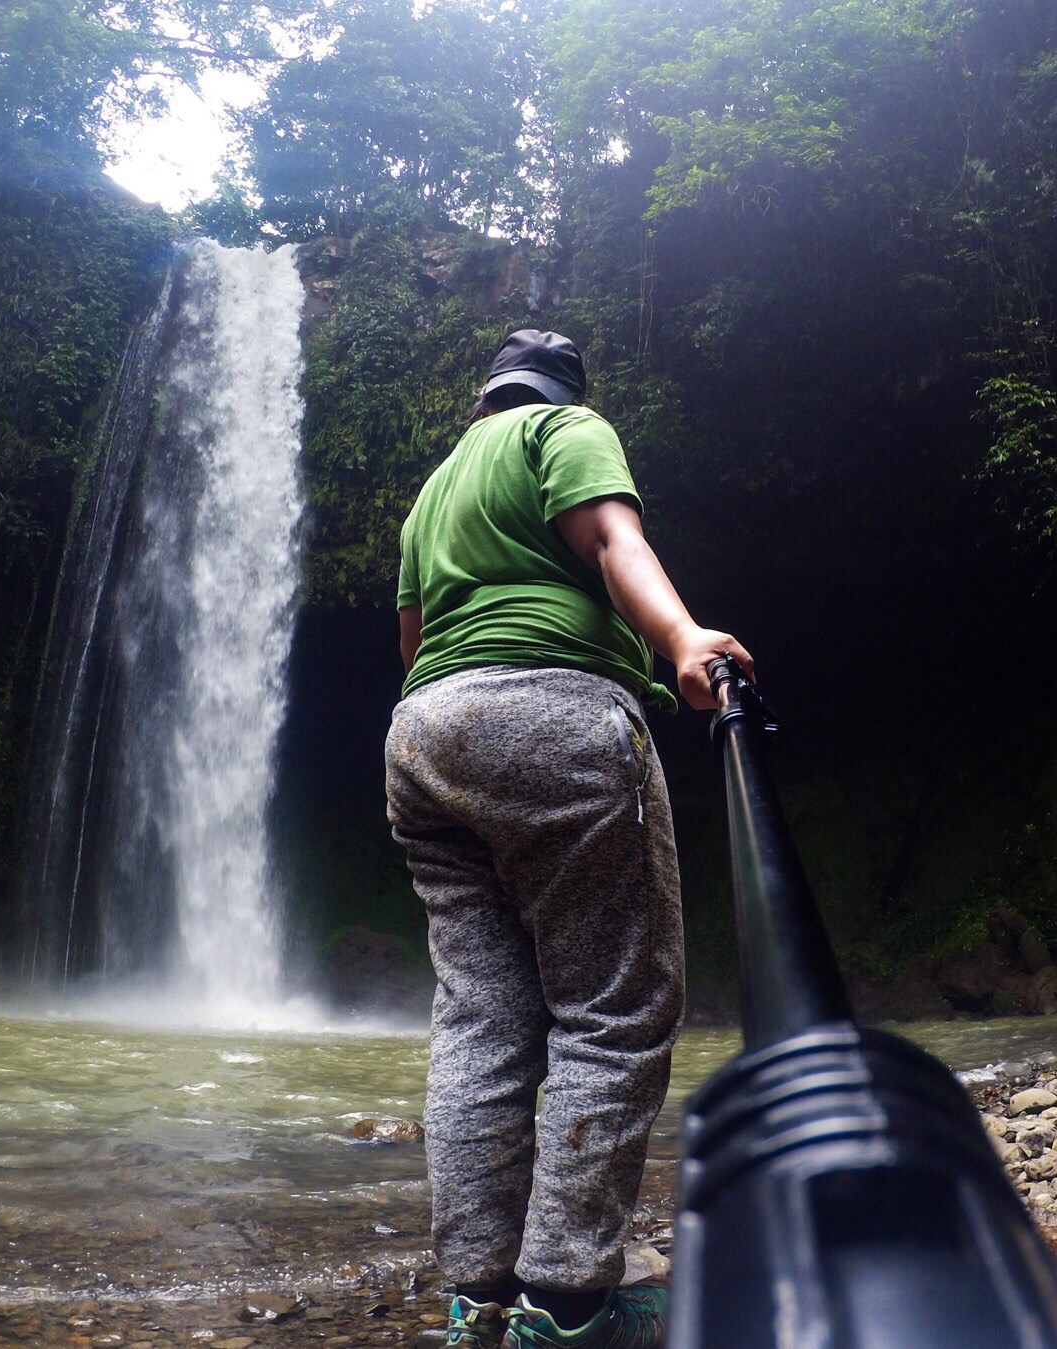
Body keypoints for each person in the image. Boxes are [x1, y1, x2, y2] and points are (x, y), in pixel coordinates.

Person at [384, 329, 752, 1349]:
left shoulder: (430, 494)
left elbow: (414, 646)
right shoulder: (566, 428)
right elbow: (607, 539)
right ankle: (569, 1303)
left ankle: (477, 1299)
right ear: (557, 392)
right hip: (553, 715)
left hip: (422, 738)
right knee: (614, 1009)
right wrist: (680, 639)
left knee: (481, 1020)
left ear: (485, 395)